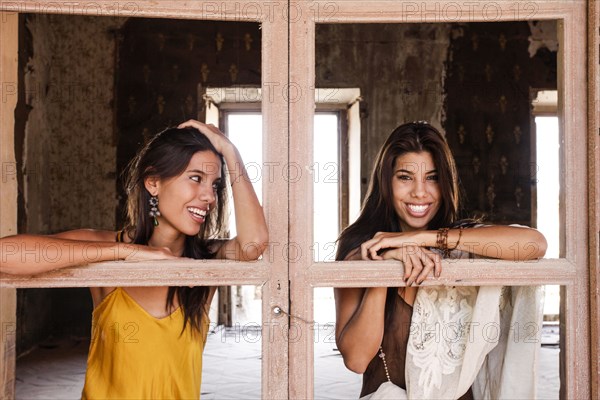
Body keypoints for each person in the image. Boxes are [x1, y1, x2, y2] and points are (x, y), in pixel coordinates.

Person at [0, 120, 268, 399]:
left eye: (215, 185)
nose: (209, 196)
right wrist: (128, 253)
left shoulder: (205, 258)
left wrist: (231, 152)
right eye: (196, 178)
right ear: (153, 183)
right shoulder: (108, 247)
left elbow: (253, 244)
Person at [334, 122, 547, 399]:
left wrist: (423, 239)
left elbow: (535, 244)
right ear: (386, 182)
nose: (420, 192)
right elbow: (357, 359)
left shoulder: (462, 239)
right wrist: (384, 267)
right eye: (405, 177)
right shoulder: (358, 248)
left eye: (432, 178)